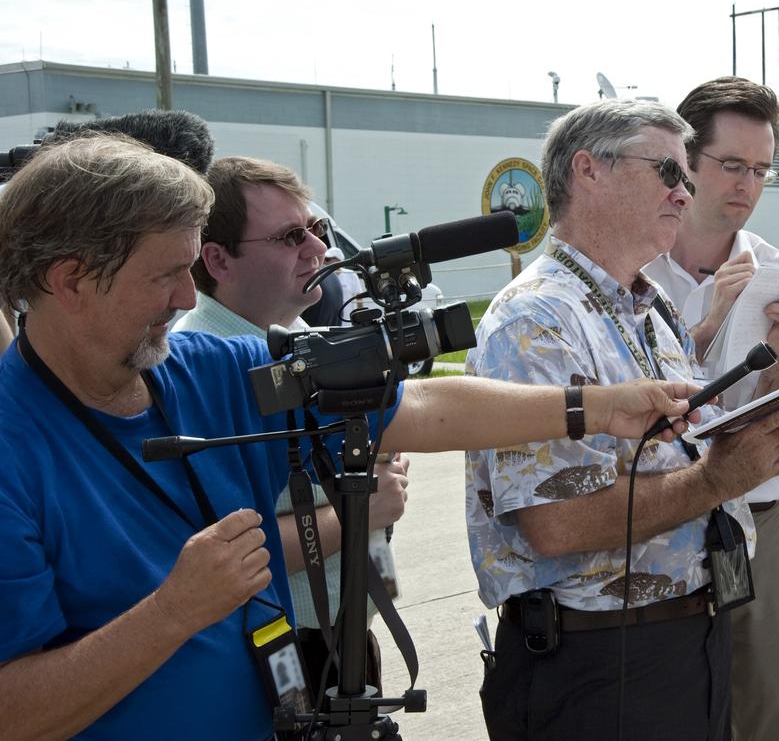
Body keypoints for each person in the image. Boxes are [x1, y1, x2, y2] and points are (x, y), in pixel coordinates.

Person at [0, 134, 706, 739]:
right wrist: (172, 611)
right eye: (166, 275)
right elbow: (15, 709)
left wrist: (599, 407)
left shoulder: (208, 369)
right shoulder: (13, 444)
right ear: (70, 280)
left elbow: (417, 408)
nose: (189, 299)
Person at [466, 98, 779, 740]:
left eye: (687, 178)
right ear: (589, 171)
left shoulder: (644, 308)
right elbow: (555, 523)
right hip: (600, 662)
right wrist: (717, 482)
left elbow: (690, 441)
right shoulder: (538, 317)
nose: (685, 193)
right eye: (670, 173)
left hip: (678, 639)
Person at [173, 155, 409, 696]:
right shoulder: (197, 369)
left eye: (317, 229)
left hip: (341, 635)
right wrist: (357, 512)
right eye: (289, 237)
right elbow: (217, 552)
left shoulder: (304, 338)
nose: (319, 250)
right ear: (218, 260)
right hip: (273, 653)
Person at [643, 77, 779, 741]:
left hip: (755, 520)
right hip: (655, 523)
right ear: (685, 159)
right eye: (731, 165)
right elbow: (630, 412)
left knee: (767, 712)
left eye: (760, 169)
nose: (747, 184)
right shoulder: (629, 269)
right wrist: (709, 325)